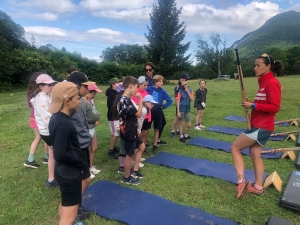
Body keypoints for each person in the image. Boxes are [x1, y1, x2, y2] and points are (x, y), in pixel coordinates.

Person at [230, 54, 283, 199]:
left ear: (268, 67)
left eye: (258, 65)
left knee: (235, 148)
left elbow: (274, 107)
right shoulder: (264, 82)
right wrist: (251, 103)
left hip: (261, 126)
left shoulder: (272, 82)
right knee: (254, 154)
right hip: (260, 124)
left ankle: (241, 182)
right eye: (255, 65)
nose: (255, 68)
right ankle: (258, 187)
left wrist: (253, 105)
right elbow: (263, 102)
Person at [48, 82, 89, 225]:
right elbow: (59, 153)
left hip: (63, 170)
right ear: (66, 101)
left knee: (66, 206)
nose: (79, 101)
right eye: (77, 98)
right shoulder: (64, 123)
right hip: (69, 173)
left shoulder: (56, 118)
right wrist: (81, 163)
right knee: (69, 218)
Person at [67, 71, 95, 220]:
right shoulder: (70, 104)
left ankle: (76, 206)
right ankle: (73, 210)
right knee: (80, 180)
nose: (88, 88)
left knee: (85, 179)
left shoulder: (80, 101)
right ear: (77, 86)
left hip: (83, 145)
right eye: (85, 86)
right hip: (76, 147)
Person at [114, 76, 145, 185]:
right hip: (129, 131)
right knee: (129, 155)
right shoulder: (125, 101)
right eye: (136, 87)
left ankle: (134, 170)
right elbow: (139, 113)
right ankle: (126, 177)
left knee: (141, 146)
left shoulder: (125, 99)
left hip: (131, 129)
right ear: (130, 86)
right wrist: (141, 100)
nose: (137, 90)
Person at [29, 74, 58, 187]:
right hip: (48, 131)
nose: (52, 86)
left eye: (52, 84)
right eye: (49, 85)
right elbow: (47, 118)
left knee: (52, 153)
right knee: (55, 153)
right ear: (41, 86)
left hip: (47, 130)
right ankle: (55, 177)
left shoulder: (44, 96)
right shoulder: (41, 98)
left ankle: (51, 179)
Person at [24, 72, 48, 168]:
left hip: (33, 117)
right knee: (45, 135)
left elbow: (30, 105)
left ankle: (31, 159)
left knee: (38, 138)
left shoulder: (30, 91)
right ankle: (45, 158)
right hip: (40, 117)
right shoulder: (40, 92)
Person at [146, 75, 172, 154]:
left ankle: (155, 145)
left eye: (162, 81)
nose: (161, 83)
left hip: (158, 111)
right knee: (146, 129)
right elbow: (144, 96)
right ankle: (144, 145)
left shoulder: (163, 91)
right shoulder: (149, 89)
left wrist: (163, 106)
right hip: (149, 111)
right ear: (155, 82)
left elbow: (170, 100)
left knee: (157, 128)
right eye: (160, 81)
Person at [82, 84, 101, 178]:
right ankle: (86, 170)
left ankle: (90, 166)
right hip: (87, 128)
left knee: (94, 147)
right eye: (93, 93)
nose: (94, 96)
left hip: (92, 127)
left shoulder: (89, 101)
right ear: (88, 92)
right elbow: (83, 117)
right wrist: (95, 116)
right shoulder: (83, 102)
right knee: (87, 149)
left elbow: (94, 113)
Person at [170, 74, 190, 138]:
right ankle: (173, 130)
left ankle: (178, 130)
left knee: (181, 119)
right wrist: (177, 107)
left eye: (187, 79)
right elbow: (176, 98)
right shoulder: (178, 87)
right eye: (185, 79)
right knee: (177, 117)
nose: (186, 80)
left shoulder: (185, 85)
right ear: (181, 79)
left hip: (184, 105)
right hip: (179, 105)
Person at [106, 77, 121, 159]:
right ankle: (110, 151)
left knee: (114, 133)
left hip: (115, 116)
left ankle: (113, 147)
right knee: (115, 133)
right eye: (117, 83)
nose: (119, 84)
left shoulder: (114, 92)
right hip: (113, 116)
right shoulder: (112, 94)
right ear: (113, 85)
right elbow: (114, 105)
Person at [176, 78, 194, 143]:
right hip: (181, 109)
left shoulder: (191, 90)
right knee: (181, 123)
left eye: (185, 84)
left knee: (189, 125)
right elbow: (178, 101)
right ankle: (181, 136)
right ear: (181, 85)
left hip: (187, 109)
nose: (185, 86)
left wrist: (188, 92)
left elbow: (192, 99)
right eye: (183, 85)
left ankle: (186, 135)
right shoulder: (180, 91)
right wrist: (178, 111)